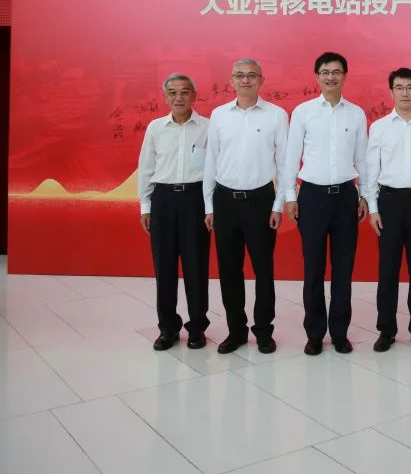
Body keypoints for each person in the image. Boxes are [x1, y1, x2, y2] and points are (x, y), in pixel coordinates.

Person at [282, 52, 368, 356]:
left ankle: (340, 333)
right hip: (312, 197)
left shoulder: (356, 114)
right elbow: (291, 157)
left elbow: (362, 159)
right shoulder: (303, 112)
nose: (330, 77)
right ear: (317, 76)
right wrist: (290, 196)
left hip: (345, 197)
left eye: (336, 72)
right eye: (325, 72)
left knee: (343, 268)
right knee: (314, 268)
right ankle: (315, 333)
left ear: (344, 75)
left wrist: (364, 194)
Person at [203, 58, 289, 355]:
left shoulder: (276, 115)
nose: (246, 80)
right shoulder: (219, 115)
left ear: (261, 80)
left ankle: (264, 331)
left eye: (252, 75)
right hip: (225, 201)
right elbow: (211, 161)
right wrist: (209, 205)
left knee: (264, 269)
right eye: (240, 75)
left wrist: (278, 205)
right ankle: (236, 331)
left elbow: (285, 163)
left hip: (261, 201)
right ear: (231, 80)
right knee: (229, 269)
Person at [364, 67, 411, 353]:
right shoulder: (379, 127)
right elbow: (371, 170)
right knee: (388, 270)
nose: (405, 92)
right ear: (392, 91)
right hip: (389, 203)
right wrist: (373, 208)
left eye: (410, 87)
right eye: (399, 87)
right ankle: (386, 330)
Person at [136, 73, 211, 351]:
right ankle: (167, 328)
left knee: (196, 267)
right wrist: (145, 206)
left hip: (195, 200)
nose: (179, 97)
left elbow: (214, 169)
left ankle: (197, 328)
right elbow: (146, 168)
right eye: (173, 92)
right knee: (164, 267)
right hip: (163, 200)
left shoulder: (208, 127)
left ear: (194, 95)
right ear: (165, 97)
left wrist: (211, 207)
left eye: (185, 92)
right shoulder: (156, 128)